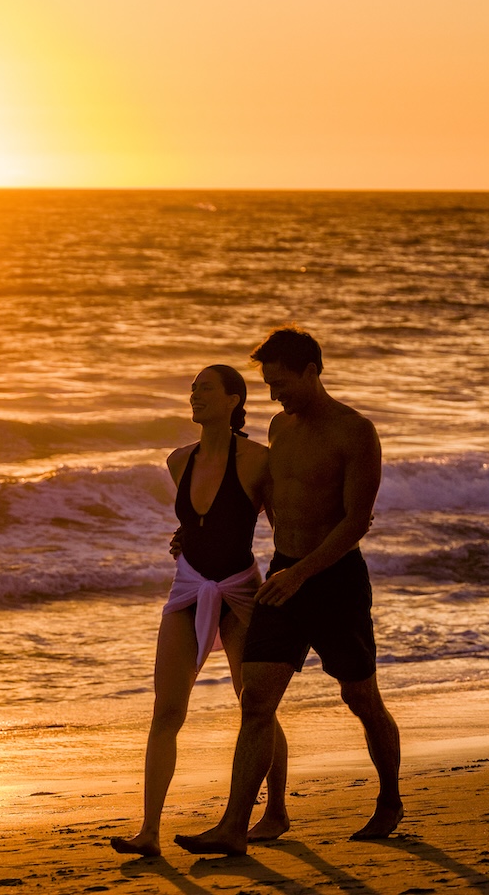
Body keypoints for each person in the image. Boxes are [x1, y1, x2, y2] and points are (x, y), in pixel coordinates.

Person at [176, 328, 401, 857]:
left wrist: (303, 574)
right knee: (256, 700)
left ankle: (390, 799)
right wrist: (205, 533)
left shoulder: (355, 432)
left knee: (360, 698)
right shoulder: (280, 427)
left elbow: (356, 521)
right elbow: (272, 501)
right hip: (283, 577)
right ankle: (235, 825)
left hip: (336, 582)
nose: (274, 396)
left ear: (311, 371)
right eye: (268, 384)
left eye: (281, 383)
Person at [111, 364, 291, 858]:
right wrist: (185, 538)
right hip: (187, 590)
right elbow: (199, 522)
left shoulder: (259, 461)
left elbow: (282, 529)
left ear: (234, 400)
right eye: (192, 389)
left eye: (205, 388)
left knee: (255, 703)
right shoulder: (177, 460)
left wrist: (293, 579)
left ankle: (275, 811)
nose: (194, 395)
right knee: (166, 710)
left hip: (241, 592)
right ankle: (148, 830)